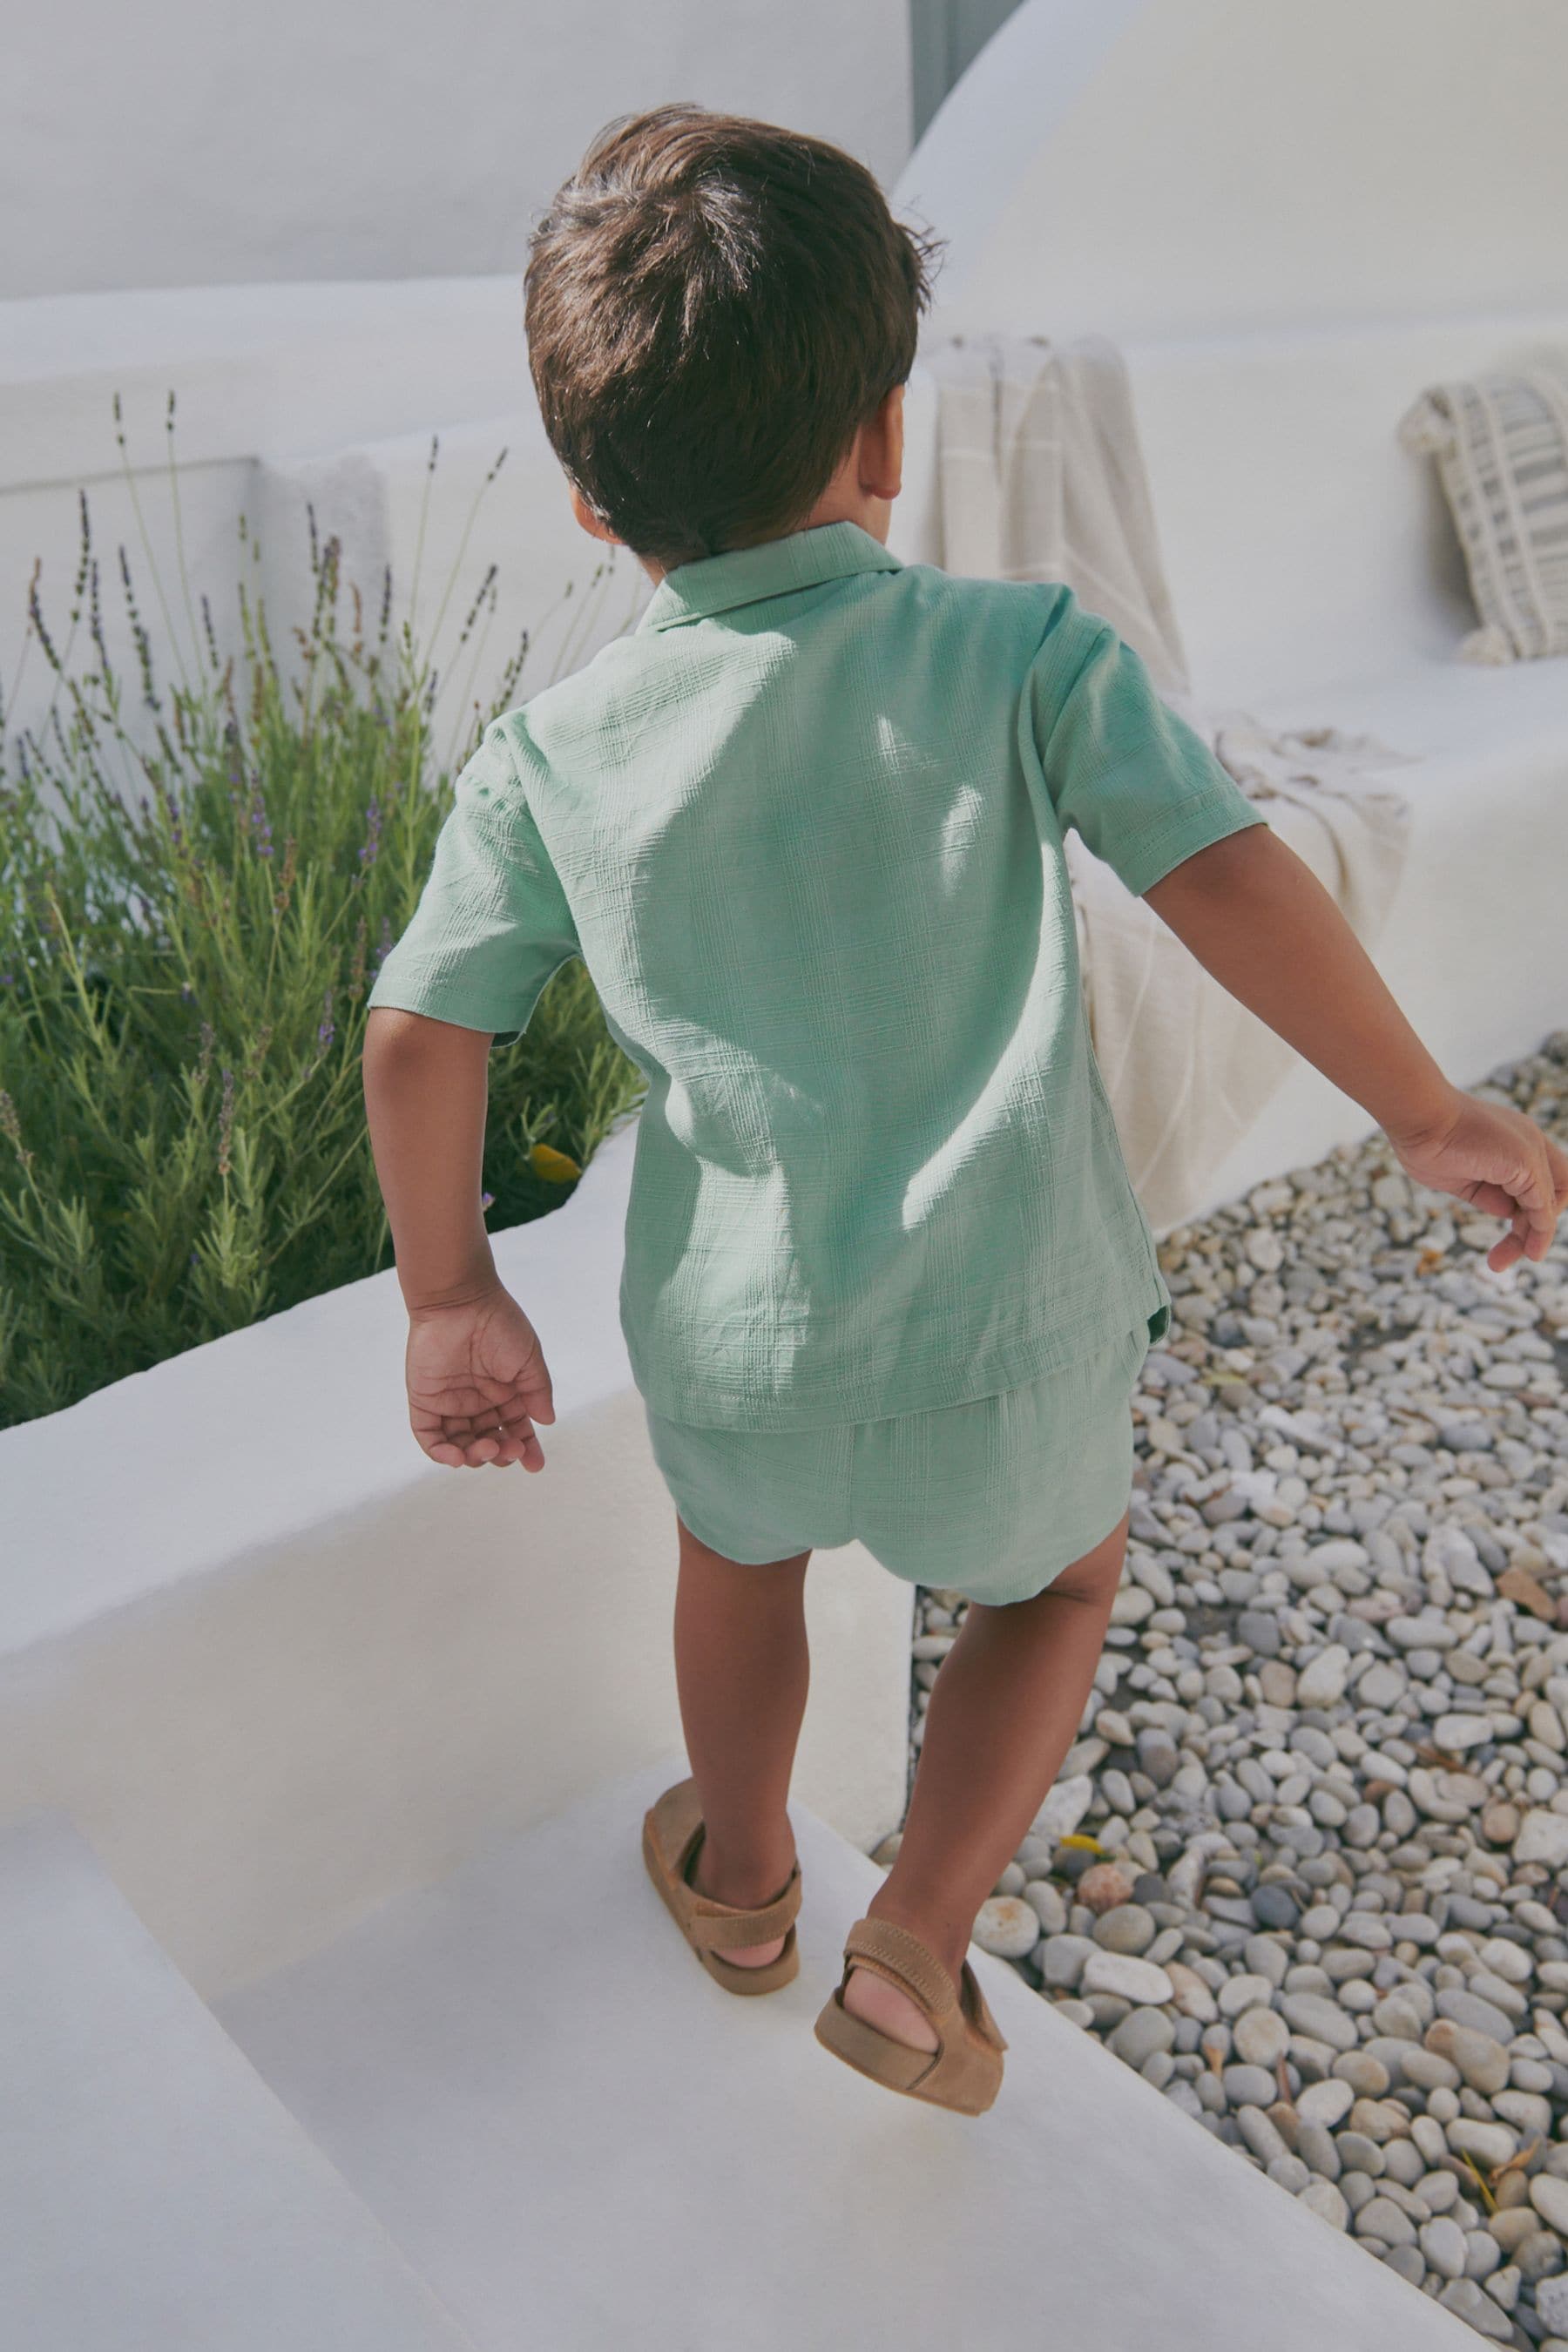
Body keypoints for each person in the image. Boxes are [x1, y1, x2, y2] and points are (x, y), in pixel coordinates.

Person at [362, 104, 1568, 2114]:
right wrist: (1427, 1107)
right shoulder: (1020, 650)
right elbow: (1230, 875)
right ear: (886, 436)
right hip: (1013, 1330)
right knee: (1053, 1586)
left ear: (589, 504)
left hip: (741, 1352)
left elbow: (419, 1030)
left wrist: (449, 1298)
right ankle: (913, 1944)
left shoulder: (552, 757)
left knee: (737, 1574)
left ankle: (743, 1879)